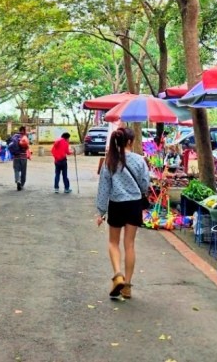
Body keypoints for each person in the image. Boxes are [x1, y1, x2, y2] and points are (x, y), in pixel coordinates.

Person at [95, 128, 152, 302]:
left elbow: (104, 189)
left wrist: (101, 212)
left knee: (113, 242)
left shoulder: (109, 161)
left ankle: (117, 275)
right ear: (129, 142)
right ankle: (127, 286)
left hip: (116, 204)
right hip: (134, 204)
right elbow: (145, 184)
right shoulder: (139, 160)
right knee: (130, 245)